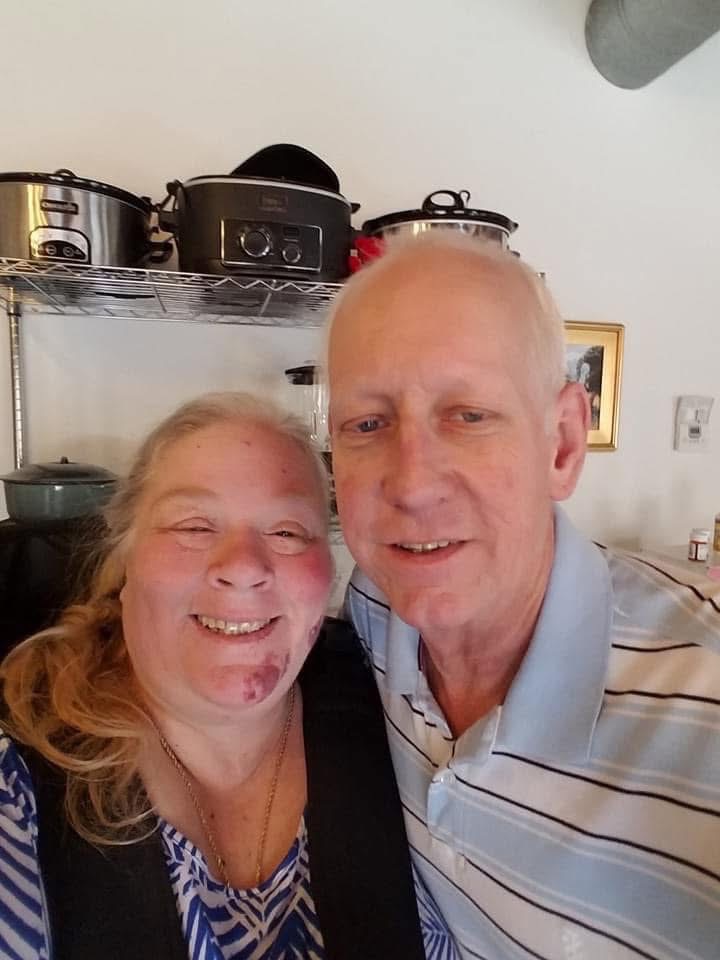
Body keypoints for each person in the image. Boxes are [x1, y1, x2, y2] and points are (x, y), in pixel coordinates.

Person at [326, 235, 720, 960]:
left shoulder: (704, 701)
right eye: (368, 424)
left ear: (563, 445)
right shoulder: (373, 617)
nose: (412, 484)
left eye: (468, 415)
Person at [0, 391, 458, 960]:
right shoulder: (19, 793)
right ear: (125, 562)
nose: (243, 566)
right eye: (194, 526)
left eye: (287, 532)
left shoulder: (403, 722)